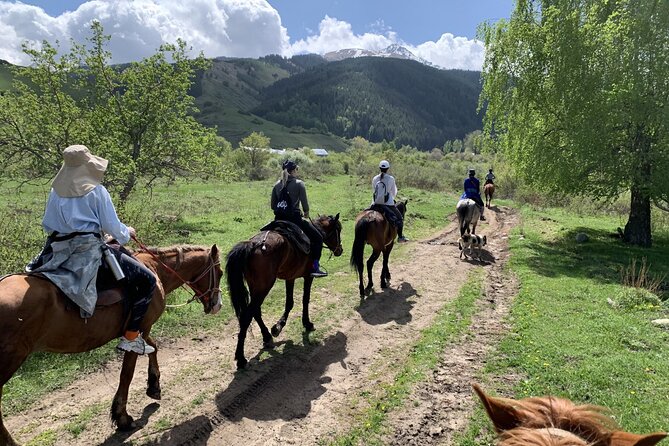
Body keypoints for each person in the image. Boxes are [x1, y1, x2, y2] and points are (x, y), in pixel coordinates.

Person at [30, 145, 157, 354]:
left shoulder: (55, 191)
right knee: (147, 280)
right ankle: (131, 337)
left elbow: (49, 225)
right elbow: (113, 227)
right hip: (87, 251)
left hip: (56, 250)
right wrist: (126, 232)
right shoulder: (97, 191)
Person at [270, 159, 327, 277]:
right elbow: (305, 204)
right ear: (294, 170)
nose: (297, 171)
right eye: (297, 169)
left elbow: (273, 206)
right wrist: (306, 212)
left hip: (278, 220)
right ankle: (315, 267)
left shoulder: (276, 185)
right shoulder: (299, 183)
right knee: (318, 238)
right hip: (294, 219)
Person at [372, 160, 408, 243]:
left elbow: (374, 191)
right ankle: (400, 237)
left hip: (375, 203)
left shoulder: (375, 178)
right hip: (388, 204)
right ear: (388, 169)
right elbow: (394, 192)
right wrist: (391, 198)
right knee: (399, 218)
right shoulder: (391, 179)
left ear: (379, 168)